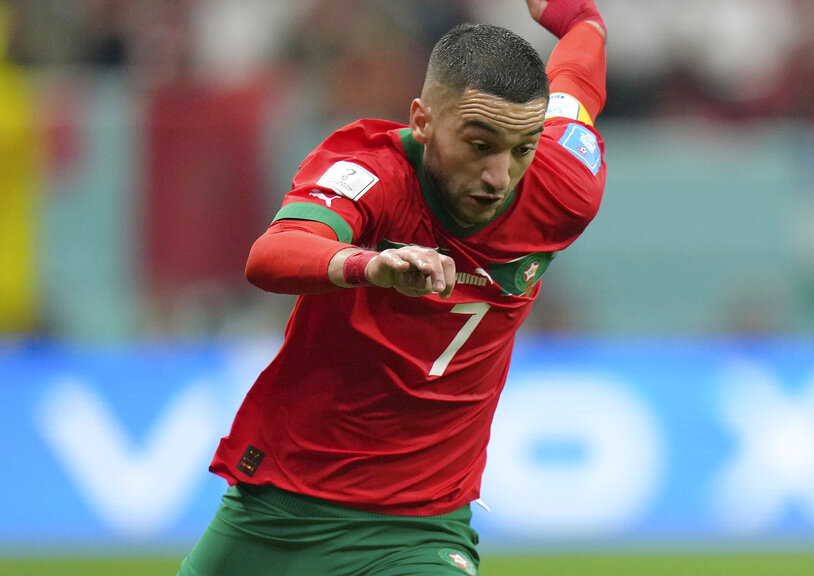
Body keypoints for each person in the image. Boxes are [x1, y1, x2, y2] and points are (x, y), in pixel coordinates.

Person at [177, 1, 607, 574]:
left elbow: (580, 68)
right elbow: (272, 254)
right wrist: (369, 266)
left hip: (423, 526)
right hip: (282, 507)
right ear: (423, 121)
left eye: (521, 149)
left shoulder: (566, 185)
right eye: (479, 144)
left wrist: (575, 14)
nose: (499, 176)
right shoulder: (371, 173)